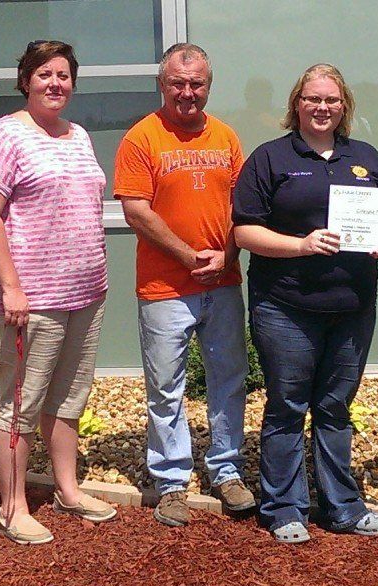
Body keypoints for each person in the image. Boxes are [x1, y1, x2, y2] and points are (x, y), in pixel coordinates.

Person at [233, 63, 378, 544]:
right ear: (296, 104)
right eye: (313, 99)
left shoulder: (365, 158)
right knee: (287, 405)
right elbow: (244, 231)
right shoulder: (270, 158)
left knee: (334, 405)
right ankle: (284, 508)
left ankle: (342, 506)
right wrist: (301, 245)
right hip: (286, 306)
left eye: (331, 100)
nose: (322, 108)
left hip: (352, 305)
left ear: (344, 107)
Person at [0, 40, 117, 545]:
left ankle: (68, 491)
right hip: (30, 299)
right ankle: (12, 508)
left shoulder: (77, 136)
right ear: (26, 80)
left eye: (64, 75)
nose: (55, 83)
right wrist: (11, 287)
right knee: (21, 402)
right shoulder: (3, 135)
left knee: (69, 398)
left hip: (85, 291)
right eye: (44, 74)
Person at [113, 43, 254, 528]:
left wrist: (227, 255)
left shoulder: (226, 137)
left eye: (196, 84)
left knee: (228, 378)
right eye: (178, 83)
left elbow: (244, 207)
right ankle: (171, 481)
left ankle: (227, 469)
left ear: (208, 86)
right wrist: (189, 257)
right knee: (165, 388)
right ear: (162, 84)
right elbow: (136, 210)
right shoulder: (142, 138)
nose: (187, 93)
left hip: (224, 281)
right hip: (164, 287)